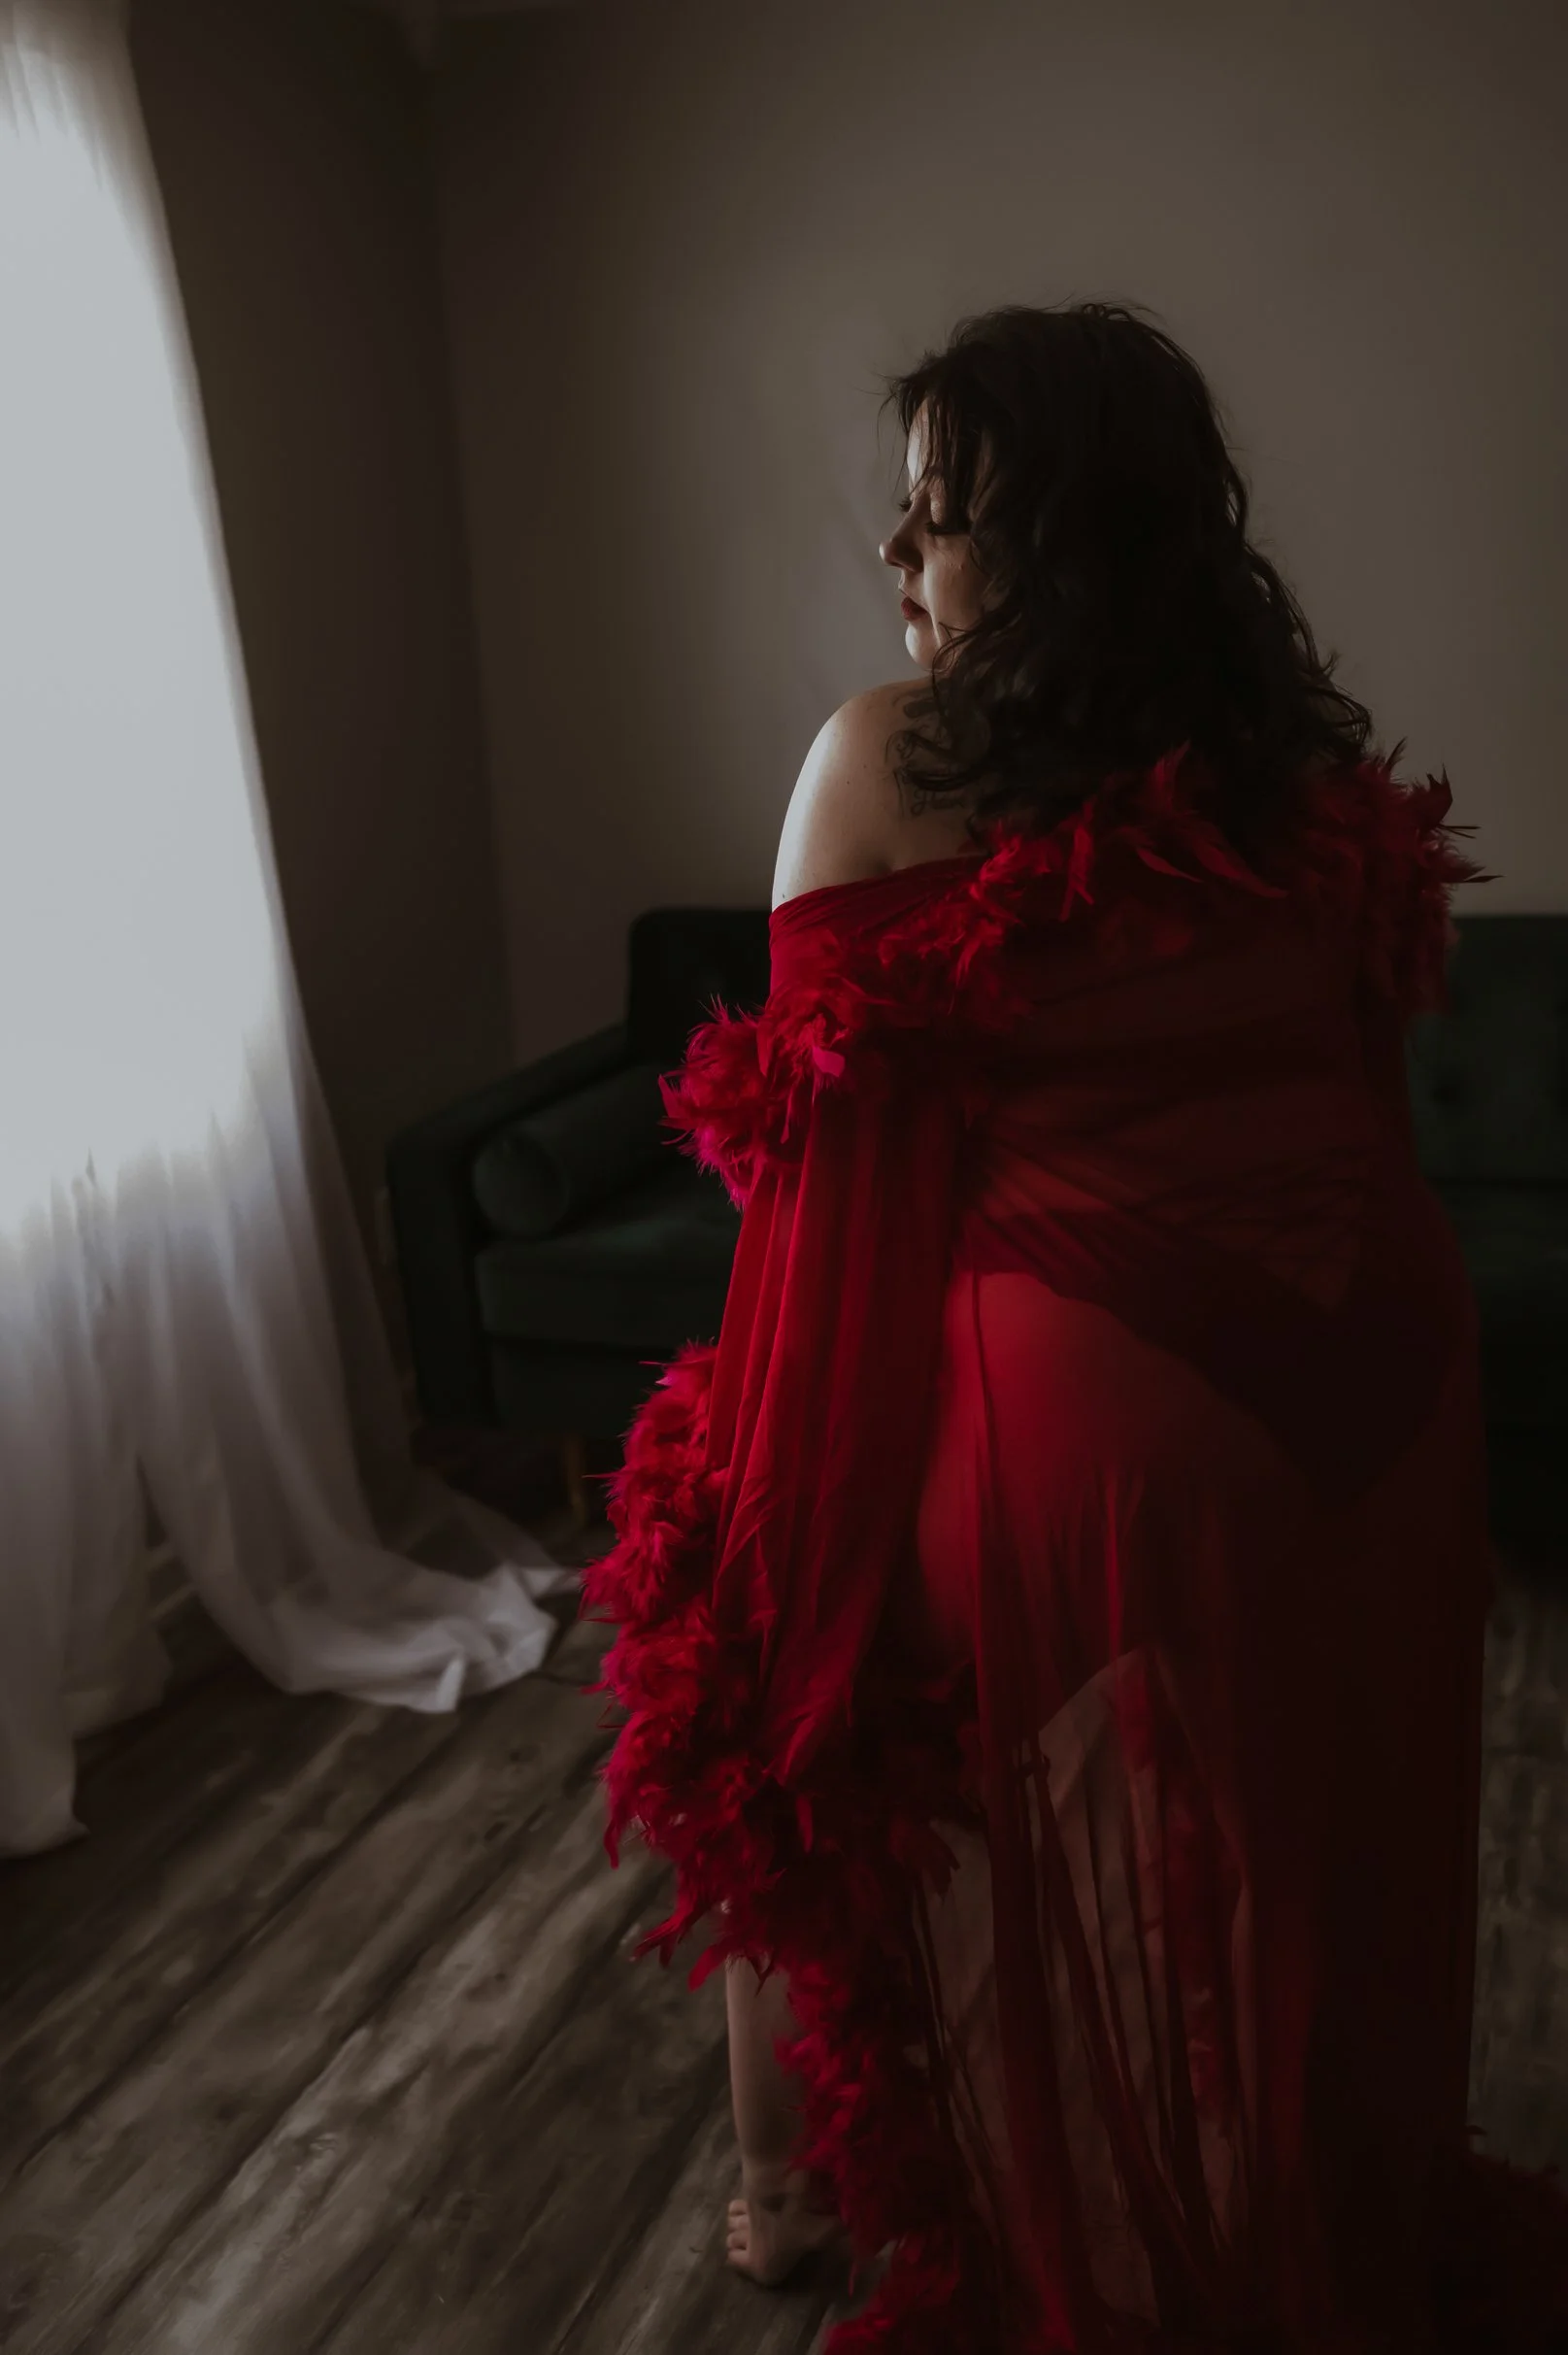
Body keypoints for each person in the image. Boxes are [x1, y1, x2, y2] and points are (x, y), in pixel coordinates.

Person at [583, 302, 1568, 2352]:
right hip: (1385, 1378)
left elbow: (827, 1198)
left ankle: (817, 2188)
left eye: (936, 514)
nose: (896, 559)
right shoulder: (1303, 779)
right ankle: (1318, 2191)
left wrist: (765, 1531)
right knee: (1310, 1829)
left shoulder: (888, 759)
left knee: (734, 1607)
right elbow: (1366, 1106)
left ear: (1041, 541)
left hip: (1113, 1405)